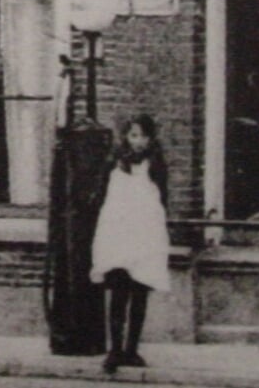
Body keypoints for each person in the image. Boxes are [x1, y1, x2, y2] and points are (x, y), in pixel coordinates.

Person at [87, 114, 170, 373]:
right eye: (134, 135)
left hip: (144, 235)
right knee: (119, 292)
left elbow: (162, 199)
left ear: (151, 138)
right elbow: (102, 196)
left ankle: (132, 349)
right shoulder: (114, 163)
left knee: (140, 292)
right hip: (119, 234)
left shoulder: (156, 165)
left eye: (144, 136)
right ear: (126, 137)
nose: (139, 141)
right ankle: (115, 350)